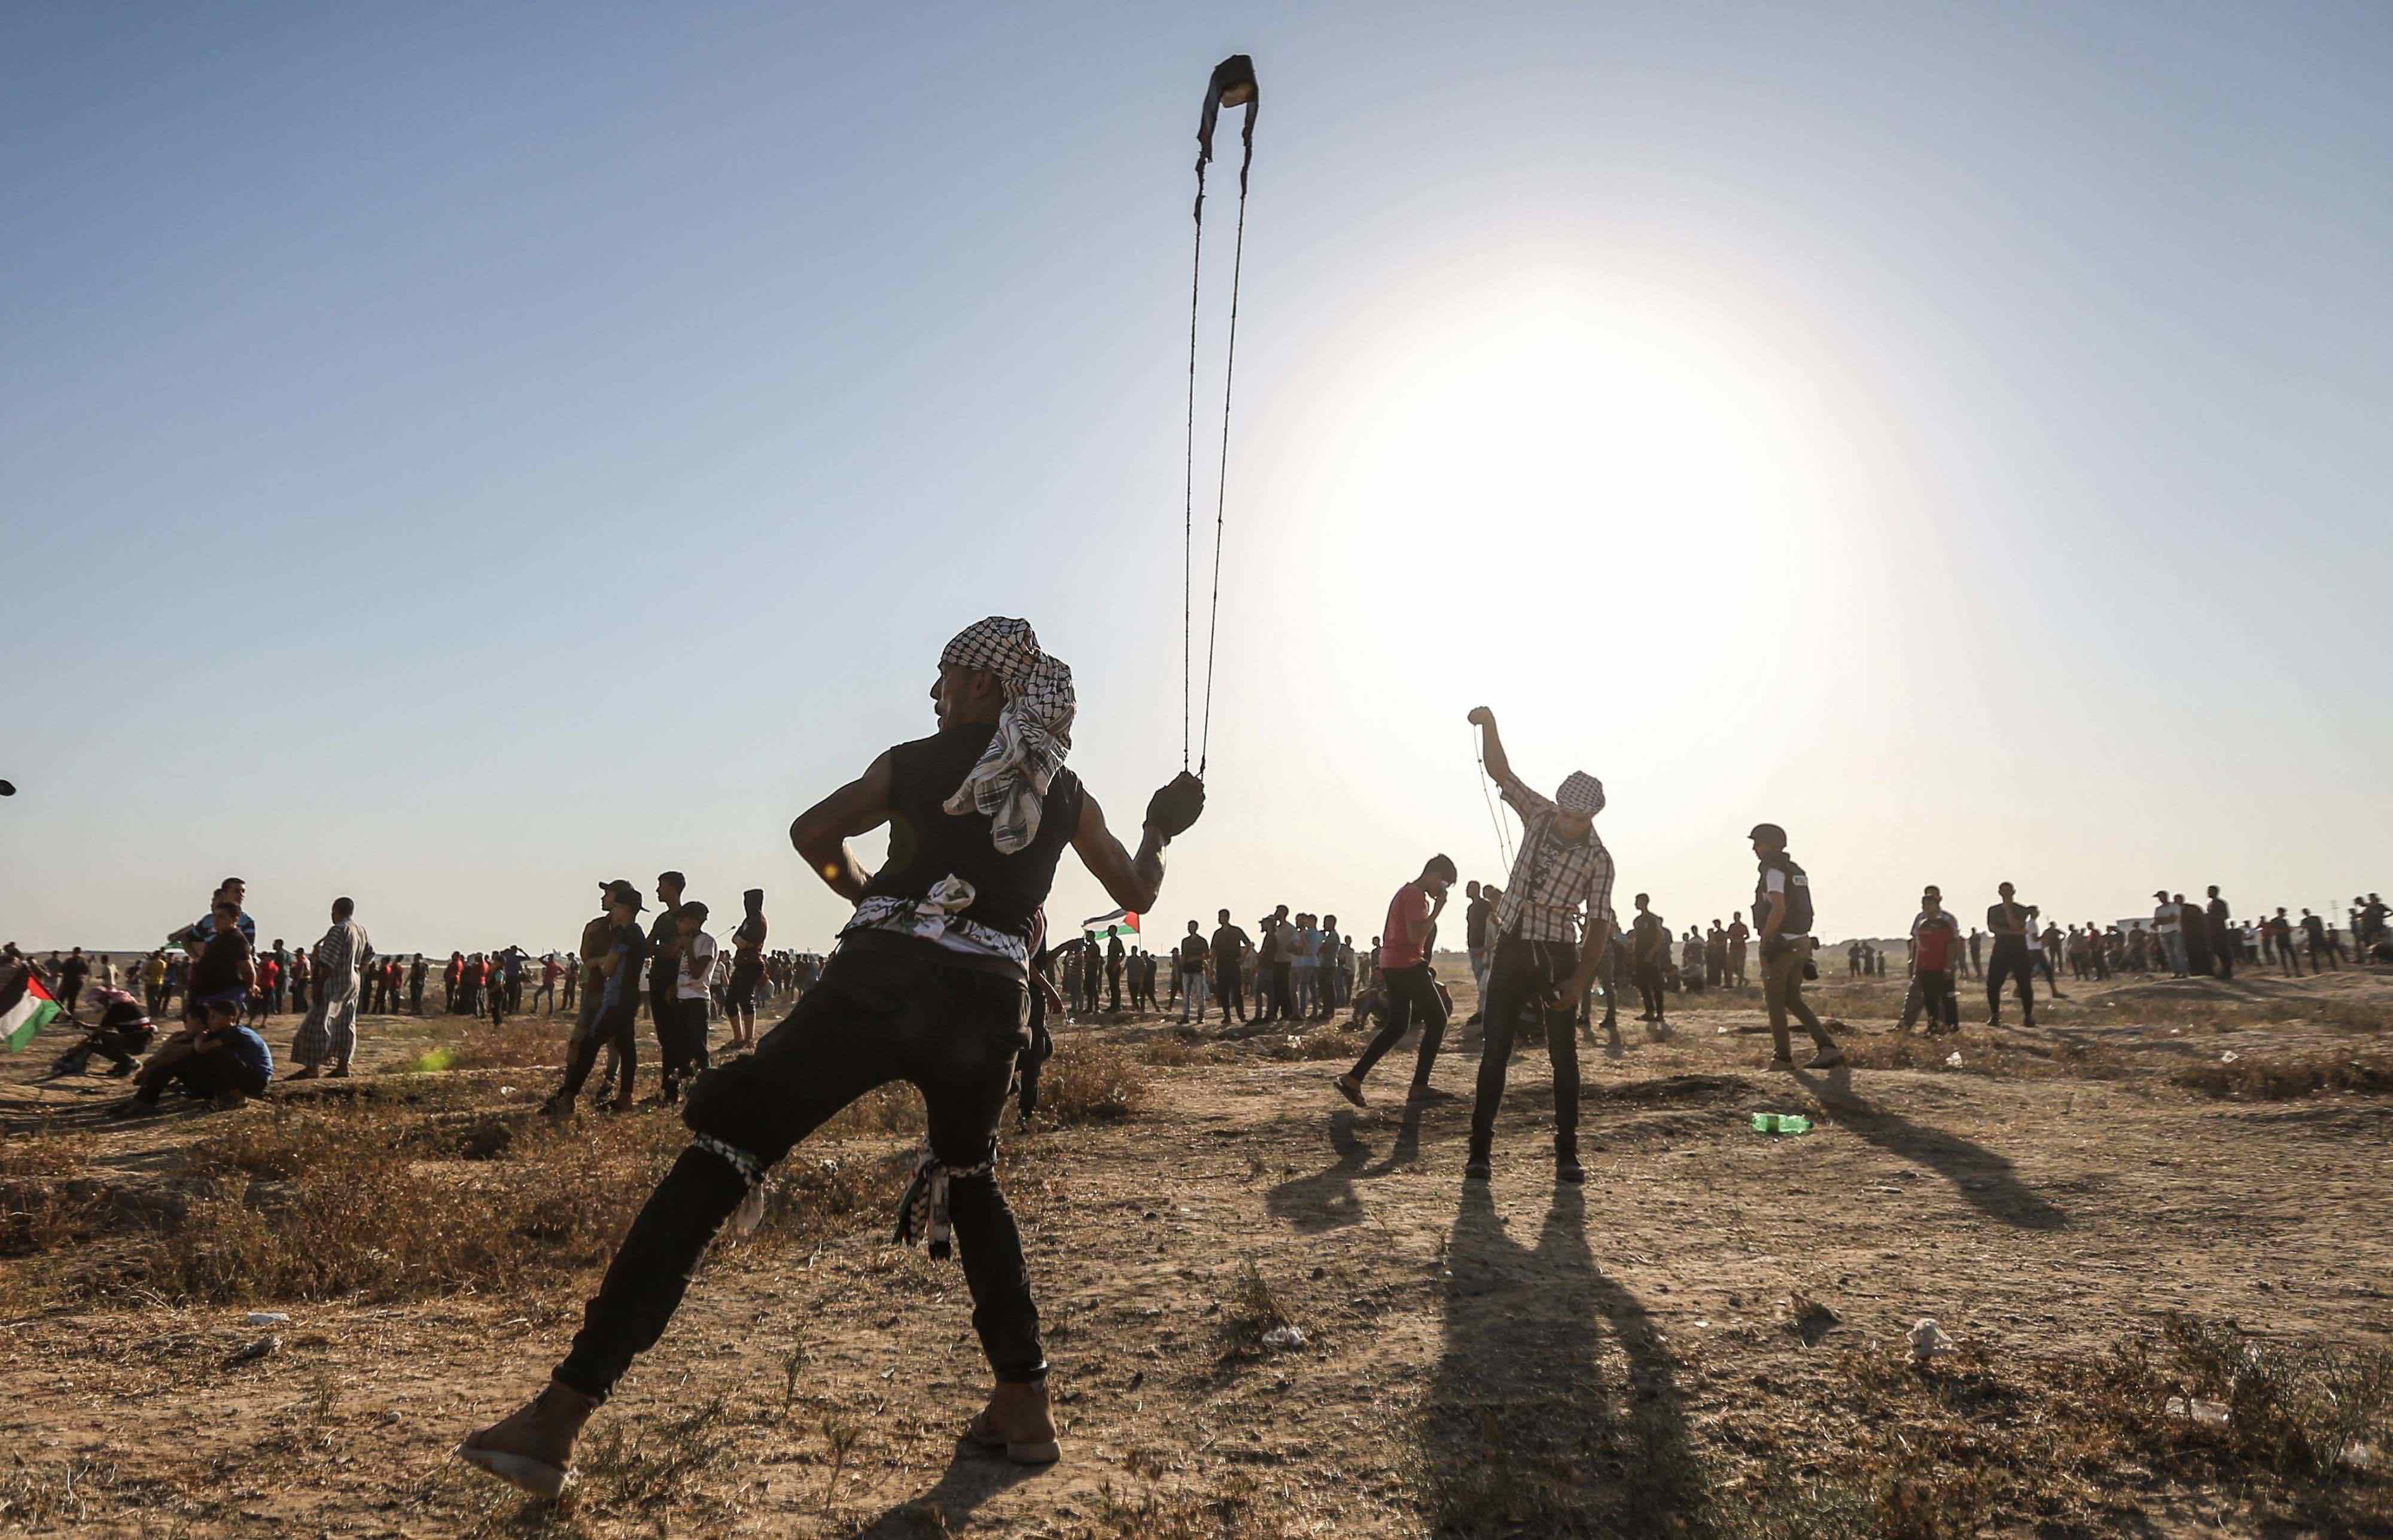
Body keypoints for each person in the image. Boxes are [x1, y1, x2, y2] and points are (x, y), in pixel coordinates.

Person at [461, 615, 1202, 1495]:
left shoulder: (912, 763)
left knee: (721, 1153)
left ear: (982, 683)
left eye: (945, 675)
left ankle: (557, 1418)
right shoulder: (1065, 792)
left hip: (878, 983)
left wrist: (871, 898)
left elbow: (812, 834)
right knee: (969, 1174)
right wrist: (1159, 826)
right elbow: (1136, 890)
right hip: (988, 1002)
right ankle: (1024, 1398)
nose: (933, 692)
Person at [1461, 708, 1615, 1185]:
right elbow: (1500, 772)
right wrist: (1489, 724)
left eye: (1578, 818)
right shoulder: (1539, 813)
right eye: (1566, 814)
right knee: (1495, 1051)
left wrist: (1578, 982)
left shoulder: (1599, 860)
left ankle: (1567, 1153)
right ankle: (1479, 1153)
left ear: (1591, 816)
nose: (1569, 824)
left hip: (1556, 954)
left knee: (1563, 1056)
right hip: (1511, 945)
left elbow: (1598, 925)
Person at [120, 899, 270, 1112]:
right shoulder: (221, 939)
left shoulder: (237, 940)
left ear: (235, 919)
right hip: (206, 995)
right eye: (215, 916)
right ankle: (144, 1099)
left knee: (189, 1048)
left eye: (222, 917)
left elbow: (247, 967)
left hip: (221, 999)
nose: (216, 921)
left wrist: (251, 986)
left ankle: (230, 1096)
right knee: (181, 1049)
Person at [1335, 855, 1456, 1106]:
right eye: (1443, 886)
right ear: (1435, 876)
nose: (1440, 893)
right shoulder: (1415, 896)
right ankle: (1420, 1086)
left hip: (1393, 963)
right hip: (1408, 964)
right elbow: (1415, 934)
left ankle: (1353, 1079)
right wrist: (1439, 908)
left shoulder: (1406, 892)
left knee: (1398, 1025)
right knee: (1438, 1018)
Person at [1751, 824, 1843, 1070]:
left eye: (1758, 843)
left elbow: (1778, 908)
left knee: (1774, 1000)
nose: (1754, 849)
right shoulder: (1795, 870)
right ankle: (1827, 1047)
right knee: (1792, 998)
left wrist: (1765, 940)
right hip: (1801, 941)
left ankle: (1783, 1058)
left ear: (1770, 845)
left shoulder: (1774, 871)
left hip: (1782, 944)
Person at [288, 898, 372, 1080]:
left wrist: (318, 986)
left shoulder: (338, 930)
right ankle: (343, 1066)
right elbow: (370, 954)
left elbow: (327, 963)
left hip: (336, 981)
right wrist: (357, 970)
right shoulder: (360, 930)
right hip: (353, 980)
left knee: (318, 1022)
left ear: (335, 910)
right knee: (345, 1023)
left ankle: (312, 1067)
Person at [45, 985, 155, 1079]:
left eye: (96, 1002)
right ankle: (127, 1063)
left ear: (103, 999)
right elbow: (107, 1027)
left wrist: (78, 1048)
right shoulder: (123, 1005)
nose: (96, 1005)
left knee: (95, 1043)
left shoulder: (116, 1008)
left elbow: (101, 1031)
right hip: (142, 1040)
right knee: (101, 1037)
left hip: (135, 1042)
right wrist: (86, 1026)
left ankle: (127, 1063)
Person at [1898, 886, 1962, 1034]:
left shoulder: (1947, 921)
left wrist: (1950, 965)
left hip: (1942, 966)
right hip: (1925, 967)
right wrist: (1913, 961)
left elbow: (1953, 943)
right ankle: (1913, 1025)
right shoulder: (1921, 921)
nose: (1927, 906)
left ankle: (1949, 1027)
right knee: (1924, 997)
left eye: (1931, 901)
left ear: (1939, 900)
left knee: (1946, 999)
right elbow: (1916, 941)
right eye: (1925, 902)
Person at [1984, 884, 2036, 1027]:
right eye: (2004, 891)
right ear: (1999, 893)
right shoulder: (1993, 910)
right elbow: (1993, 929)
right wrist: (2013, 933)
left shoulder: (2021, 909)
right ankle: (1995, 1015)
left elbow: (2016, 925)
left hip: (2019, 950)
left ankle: (2028, 1016)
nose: (2006, 894)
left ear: (2014, 892)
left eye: (2009, 891)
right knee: (1993, 984)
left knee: (2024, 983)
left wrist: (2008, 909)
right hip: (2001, 949)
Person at [725, 889, 768, 1051]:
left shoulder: (759, 922)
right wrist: (740, 941)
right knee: (730, 1001)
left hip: (752, 964)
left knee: (745, 999)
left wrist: (740, 941)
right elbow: (736, 939)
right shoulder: (748, 920)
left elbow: (743, 942)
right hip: (743, 963)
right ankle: (739, 1038)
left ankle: (749, 1039)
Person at [1629, 895, 1669, 1026]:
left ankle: (1660, 1014)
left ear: (1644, 902)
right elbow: (1637, 938)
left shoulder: (1653, 919)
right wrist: (1634, 954)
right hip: (1640, 955)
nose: (1635, 904)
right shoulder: (1637, 920)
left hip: (1652, 956)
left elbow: (1659, 937)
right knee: (1643, 984)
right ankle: (1649, 1012)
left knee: (1656, 984)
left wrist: (1652, 954)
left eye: (1637, 902)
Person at [1210, 909, 1250, 1023]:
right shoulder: (1218, 933)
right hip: (1221, 965)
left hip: (1234, 964)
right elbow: (1213, 951)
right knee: (1224, 992)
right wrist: (1211, 967)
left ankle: (1241, 1016)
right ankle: (1227, 1016)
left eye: (1221, 917)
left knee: (1237, 991)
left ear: (1226, 918)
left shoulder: (1236, 931)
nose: (1219, 919)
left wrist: (1243, 958)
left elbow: (1248, 944)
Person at [1462, 880, 1491, 1026]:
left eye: (1470, 888)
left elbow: (1490, 926)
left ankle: (1484, 1011)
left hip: (1483, 947)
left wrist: (1487, 947)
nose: (1467, 890)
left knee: (1484, 982)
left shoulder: (1485, 905)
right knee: (1480, 979)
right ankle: (1483, 1010)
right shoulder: (1471, 908)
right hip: (1473, 947)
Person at [1175, 920, 1211, 1023]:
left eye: (1191, 926)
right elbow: (1184, 956)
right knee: (1186, 995)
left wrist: (1196, 958)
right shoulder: (1185, 941)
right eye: (1189, 926)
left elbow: (1207, 955)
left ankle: (1201, 1016)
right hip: (1186, 971)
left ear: (1196, 928)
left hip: (1198, 970)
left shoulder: (1201, 941)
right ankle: (1186, 1016)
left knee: (1200, 994)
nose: (1190, 928)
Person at [2204, 886, 2234, 981]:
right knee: (2214, 951)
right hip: (2212, 931)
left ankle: (2227, 972)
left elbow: (2225, 916)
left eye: (2210, 891)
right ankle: (2218, 971)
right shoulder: (2210, 904)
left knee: (2223, 952)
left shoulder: (2221, 903)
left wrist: (2211, 917)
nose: (2208, 893)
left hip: (2220, 931)